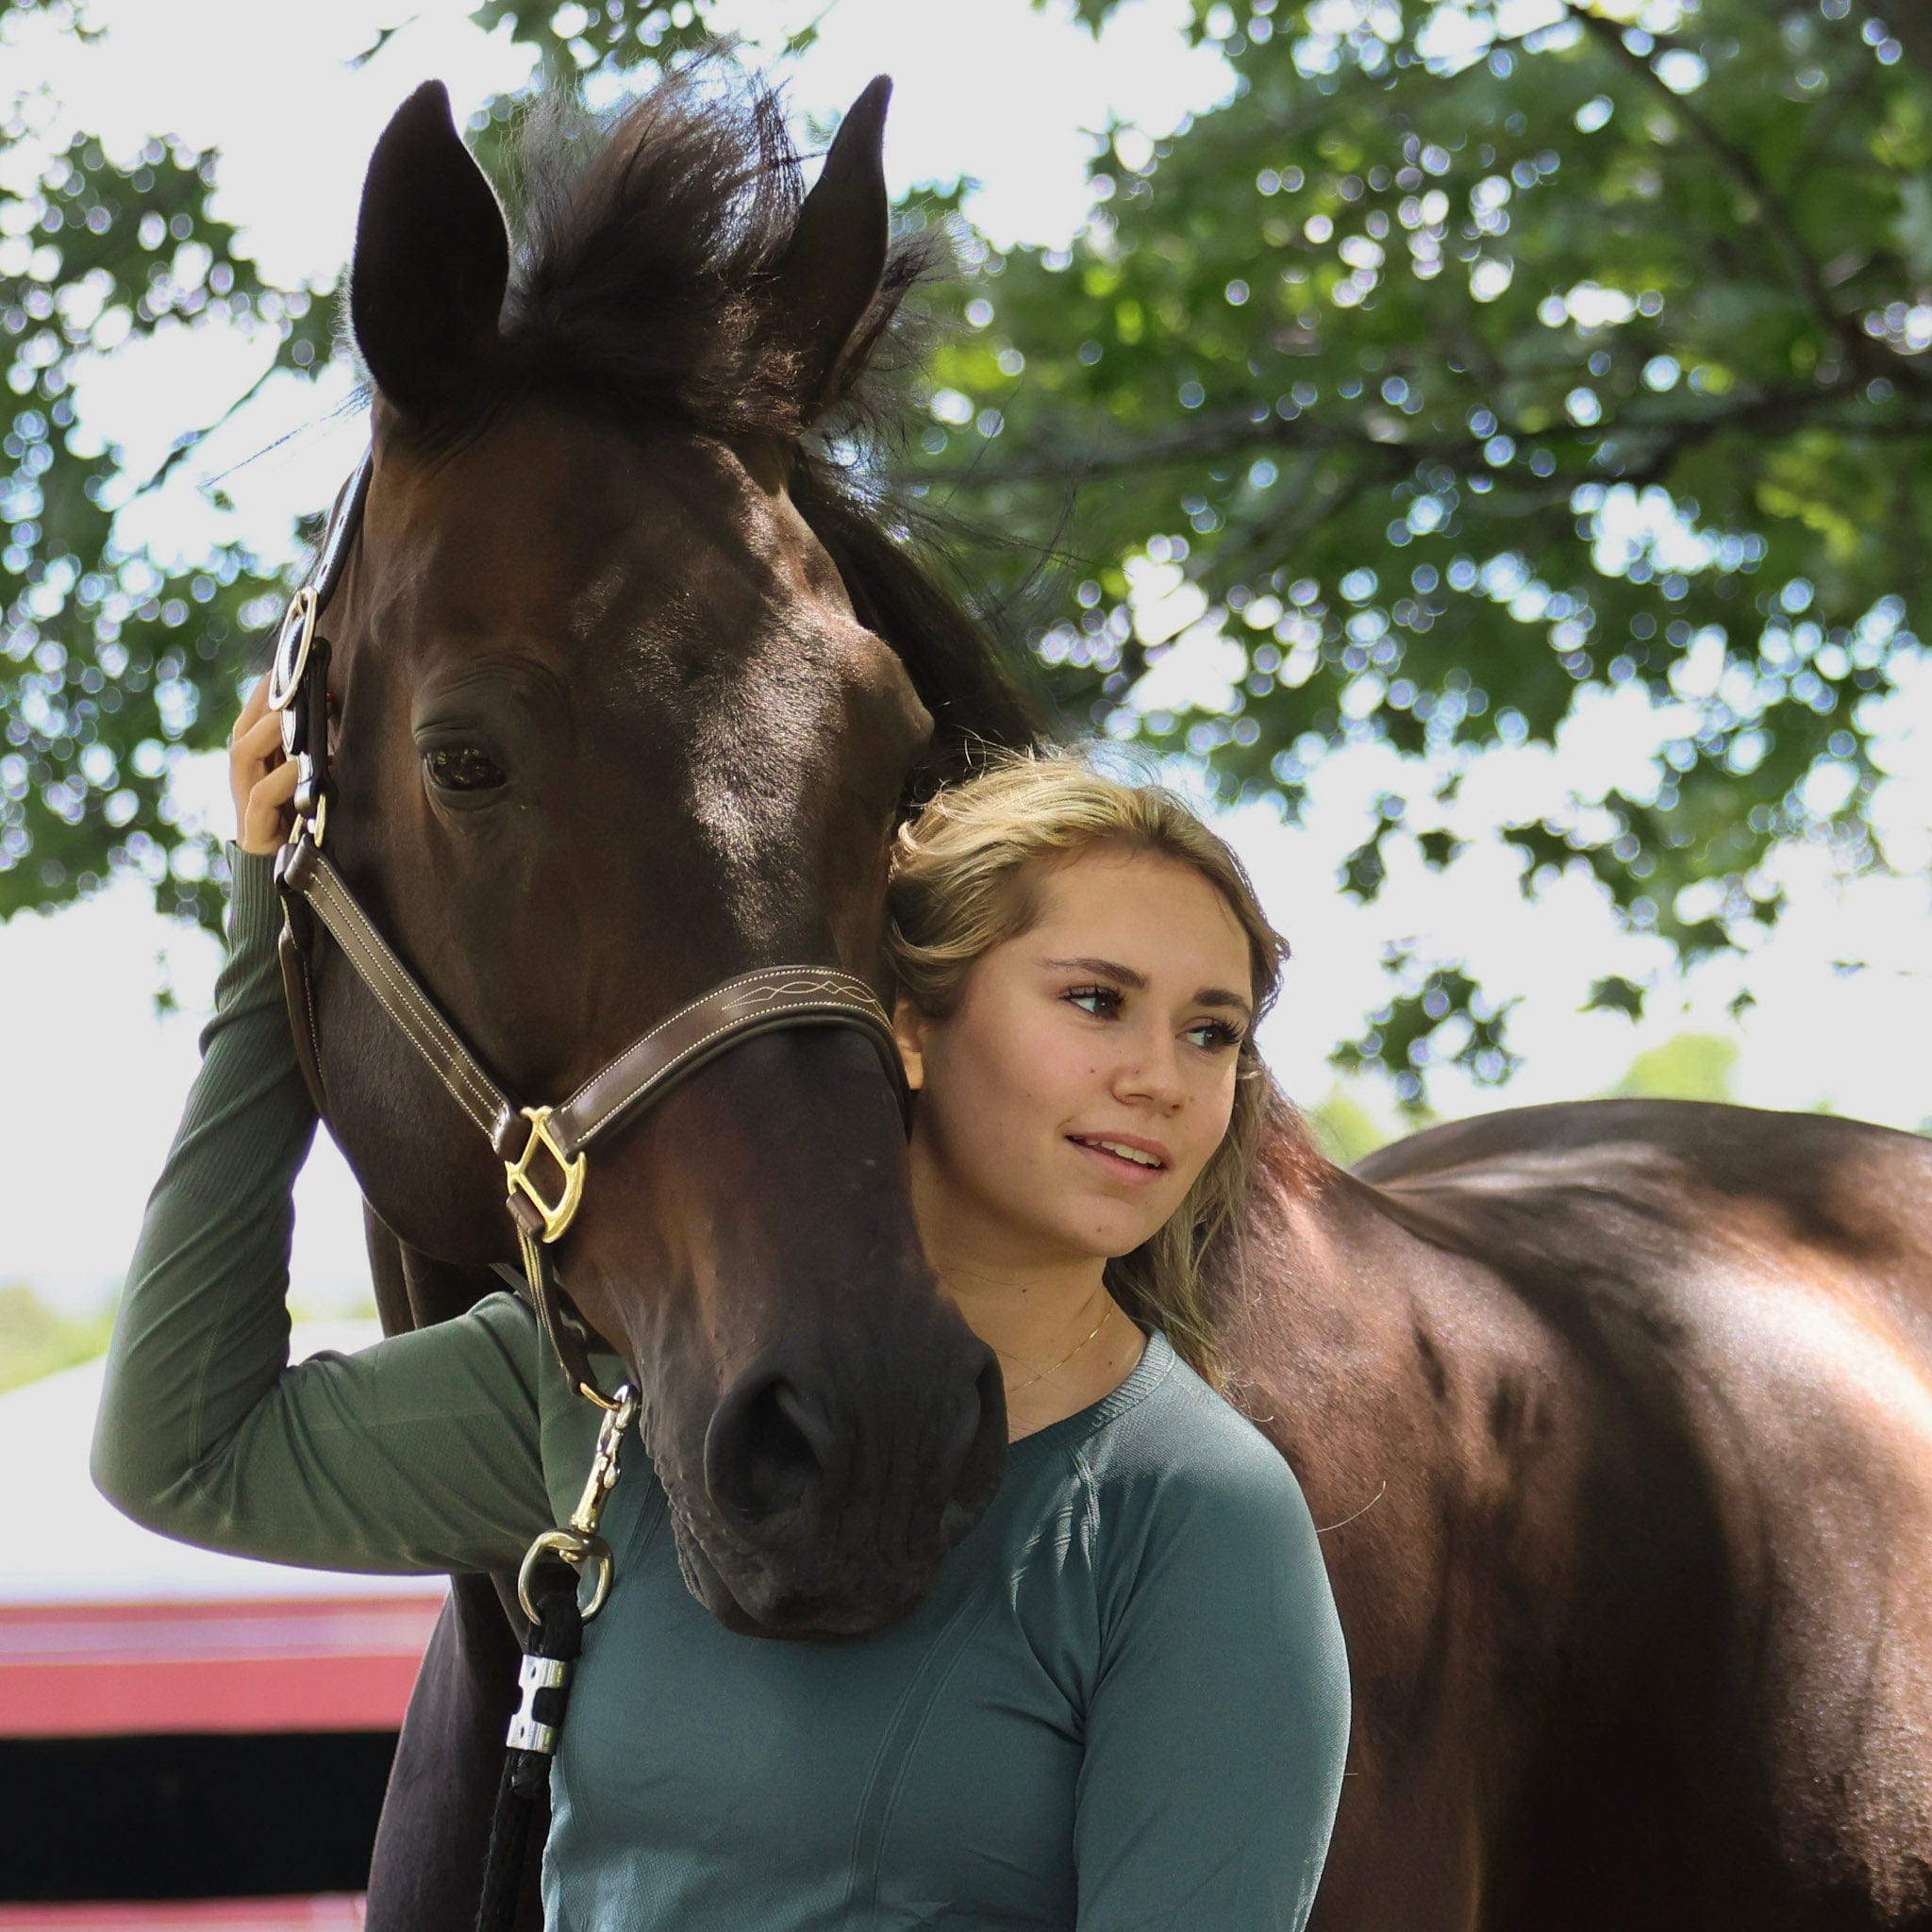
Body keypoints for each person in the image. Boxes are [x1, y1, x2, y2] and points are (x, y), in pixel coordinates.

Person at [92, 674, 1351, 1930]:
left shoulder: (1192, 1517)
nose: (1162, 1081)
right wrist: (273, 953)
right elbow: (185, 1451)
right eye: (1097, 1000)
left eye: (1212, 1034)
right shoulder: (616, 1392)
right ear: (910, 1022)